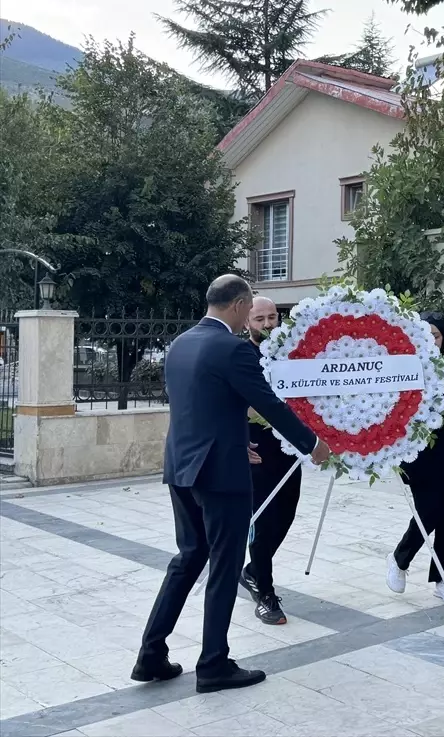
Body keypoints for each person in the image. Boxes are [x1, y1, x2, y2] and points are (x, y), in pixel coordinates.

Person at [132, 276, 331, 694]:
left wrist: (235, 441)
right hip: (220, 476)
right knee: (224, 566)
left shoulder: (181, 344)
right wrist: (311, 443)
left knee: (188, 558)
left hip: (183, 468)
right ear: (240, 305)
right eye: (250, 311)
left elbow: (200, 406)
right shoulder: (234, 348)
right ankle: (214, 664)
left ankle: (151, 654)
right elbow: (268, 403)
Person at [387, 311, 444, 605]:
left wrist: (435, 405)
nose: (430, 340)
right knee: (429, 510)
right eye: (425, 333)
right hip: (418, 452)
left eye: (435, 334)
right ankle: (400, 558)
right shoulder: (403, 367)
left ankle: (443, 578)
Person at [240, 296, 300, 626]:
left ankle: (252, 571)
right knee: (263, 522)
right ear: (247, 322)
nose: (267, 324)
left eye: (272, 317)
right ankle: (265, 593)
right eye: (259, 318)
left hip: (290, 448)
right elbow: (230, 399)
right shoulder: (241, 355)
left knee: (286, 516)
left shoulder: (292, 354)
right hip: (256, 449)